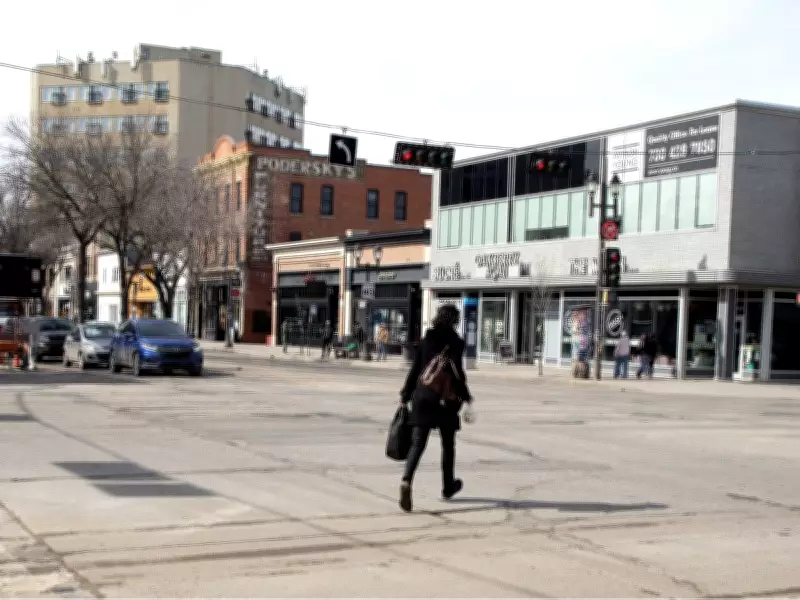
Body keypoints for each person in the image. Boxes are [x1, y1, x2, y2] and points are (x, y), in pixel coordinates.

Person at [398, 303, 473, 513]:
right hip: (446, 401)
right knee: (448, 446)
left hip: (423, 397)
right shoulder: (457, 343)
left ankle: (406, 480)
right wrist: (466, 397)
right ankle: (448, 486)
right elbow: (458, 374)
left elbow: (415, 370)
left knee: (417, 444)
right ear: (455, 321)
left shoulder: (427, 339)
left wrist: (405, 395)